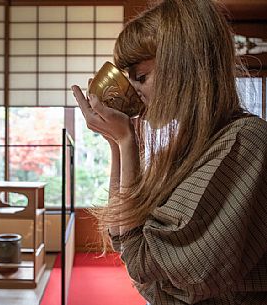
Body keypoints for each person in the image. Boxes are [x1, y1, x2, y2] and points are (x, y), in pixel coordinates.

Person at [72, 0, 267, 304]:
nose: (133, 91)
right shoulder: (187, 148)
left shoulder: (244, 142)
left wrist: (126, 142)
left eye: (141, 77)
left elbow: (145, 263)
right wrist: (117, 142)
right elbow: (122, 235)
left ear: (185, 68)